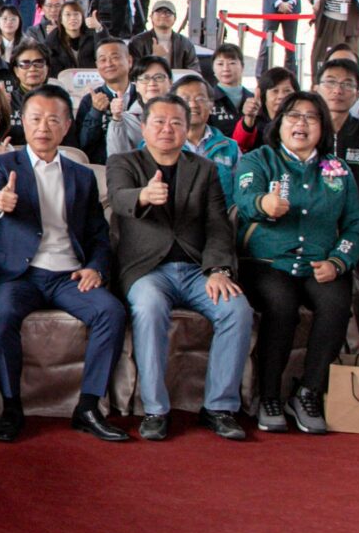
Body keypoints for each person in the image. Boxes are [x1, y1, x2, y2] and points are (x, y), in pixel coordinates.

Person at [0, 86, 129, 442]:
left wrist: (96, 266)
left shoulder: (82, 175)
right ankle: (12, 407)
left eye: (53, 119)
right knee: (1, 315)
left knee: (111, 311)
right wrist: (0, 200)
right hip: (21, 276)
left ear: (66, 126)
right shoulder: (3, 164)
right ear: (24, 123)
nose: (43, 127)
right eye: (35, 118)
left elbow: (97, 232)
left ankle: (88, 406)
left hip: (69, 275)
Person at [108, 95, 252, 442]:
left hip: (195, 269)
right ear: (143, 127)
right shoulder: (123, 162)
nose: (167, 129)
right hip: (146, 270)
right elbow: (119, 198)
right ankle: (155, 410)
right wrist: (144, 195)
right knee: (149, 307)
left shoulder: (204, 170)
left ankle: (219, 407)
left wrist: (218, 269)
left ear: (188, 129)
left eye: (176, 122)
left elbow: (219, 224)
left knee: (237, 309)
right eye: (158, 121)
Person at [230, 91, 359, 435]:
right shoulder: (259, 160)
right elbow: (244, 200)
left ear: (323, 127)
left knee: (337, 302)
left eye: (311, 117)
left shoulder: (337, 170)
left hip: (319, 262)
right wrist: (263, 203)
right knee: (281, 304)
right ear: (279, 123)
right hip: (267, 262)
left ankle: (308, 391)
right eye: (293, 116)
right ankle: (270, 395)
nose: (301, 124)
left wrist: (339, 260)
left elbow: (357, 224)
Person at [68, 38, 143, 164]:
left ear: (129, 61)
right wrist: (95, 112)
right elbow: (83, 144)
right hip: (103, 167)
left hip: (141, 165)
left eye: (115, 57)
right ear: (97, 65)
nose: (108, 64)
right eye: (103, 60)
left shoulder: (143, 95)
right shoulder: (90, 100)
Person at [173, 73, 240, 201]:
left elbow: (241, 193)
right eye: (185, 99)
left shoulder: (230, 147)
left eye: (200, 99)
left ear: (211, 105)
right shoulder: (158, 145)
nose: (192, 105)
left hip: (222, 218)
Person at [314, 56, 359, 174]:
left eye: (347, 84)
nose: (338, 90)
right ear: (316, 89)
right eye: (330, 82)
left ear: (357, 93)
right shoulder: (304, 133)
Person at [232, 64, 296, 151]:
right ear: (264, 95)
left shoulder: (300, 123)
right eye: (275, 91)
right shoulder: (255, 122)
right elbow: (239, 146)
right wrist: (249, 118)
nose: (281, 96)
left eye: (287, 91)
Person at [126, 0, 198, 73]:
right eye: (159, 12)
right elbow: (132, 72)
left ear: (175, 18)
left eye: (168, 12)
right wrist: (154, 57)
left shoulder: (185, 44)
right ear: (151, 17)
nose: (163, 15)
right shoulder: (137, 42)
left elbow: (194, 72)